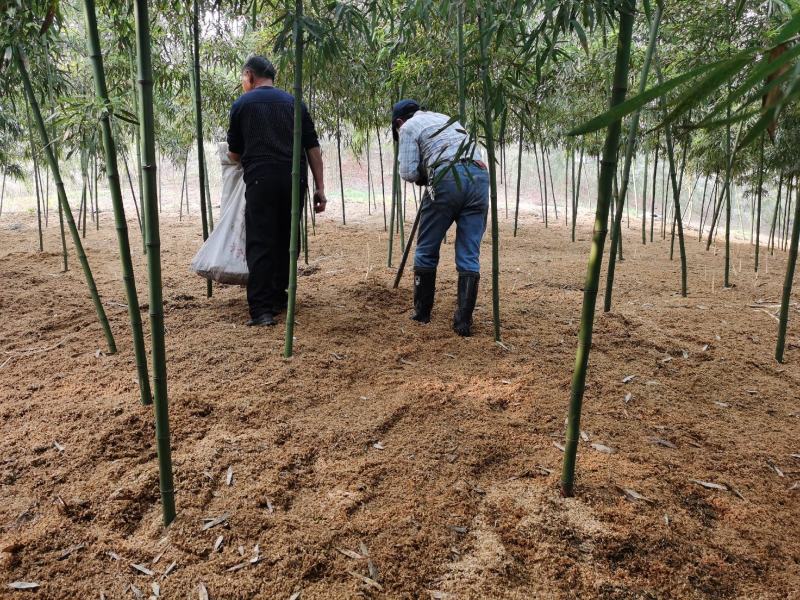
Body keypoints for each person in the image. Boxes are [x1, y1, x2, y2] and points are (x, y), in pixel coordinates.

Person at [227, 55, 327, 326]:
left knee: (260, 242)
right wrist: (320, 188)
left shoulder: (241, 105)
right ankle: (280, 297)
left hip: (260, 181)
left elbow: (234, 155)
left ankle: (261, 310)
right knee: (286, 240)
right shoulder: (294, 103)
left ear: (249, 75)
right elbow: (313, 149)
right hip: (295, 181)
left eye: (242, 78)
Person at [392, 99, 489, 336]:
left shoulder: (407, 127)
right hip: (480, 176)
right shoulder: (445, 118)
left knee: (426, 248)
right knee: (469, 253)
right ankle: (463, 322)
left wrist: (426, 175)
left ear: (398, 122)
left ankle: (422, 313)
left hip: (447, 177)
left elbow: (408, 171)